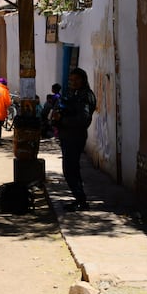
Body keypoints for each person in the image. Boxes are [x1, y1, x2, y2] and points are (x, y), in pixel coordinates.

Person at [52, 68, 96, 212]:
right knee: (71, 170)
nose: (73, 82)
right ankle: (79, 199)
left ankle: (81, 201)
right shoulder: (75, 94)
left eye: (76, 79)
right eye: (71, 80)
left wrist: (62, 119)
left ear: (83, 80)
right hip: (68, 136)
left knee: (70, 170)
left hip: (74, 137)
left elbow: (83, 120)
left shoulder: (85, 96)